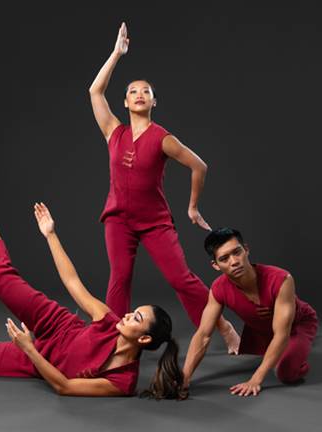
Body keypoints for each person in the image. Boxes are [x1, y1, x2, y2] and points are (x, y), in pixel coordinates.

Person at [0, 174, 187, 399]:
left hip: (40, 359)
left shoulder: (122, 382)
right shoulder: (109, 322)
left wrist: (29, 350)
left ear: (143, 337)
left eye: (136, 318)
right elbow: (73, 282)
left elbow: (64, 386)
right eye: (134, 311)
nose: (128, 314)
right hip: (56, 325)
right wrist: (51, 235)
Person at [88, 22, 240, 353]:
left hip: (154, 221)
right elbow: (94, 92)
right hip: (118, 220)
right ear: (126, 102)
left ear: (154, 101)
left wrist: (192, 207)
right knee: (119, 281)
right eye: (132, 91)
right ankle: (113, 344)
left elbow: (199, 166)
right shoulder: (114, 132)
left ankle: (224, 327)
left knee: (181, 279)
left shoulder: (162, 138)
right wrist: (116, 54)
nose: (139, 94)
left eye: (146, 91)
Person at [182, 228, 318, 397]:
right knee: (275, 350)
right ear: (216, 265)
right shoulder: (218, 289)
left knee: (286, 372)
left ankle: (298, 351)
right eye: (224, 258)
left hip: (296, 325)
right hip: (263, 328)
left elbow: (282, 334)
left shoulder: (281, 278)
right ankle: (278, 352)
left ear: (246, 249)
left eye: (237, 252)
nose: (234, 262)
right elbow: (203, 334)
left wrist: (255, 379)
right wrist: (185, 377)